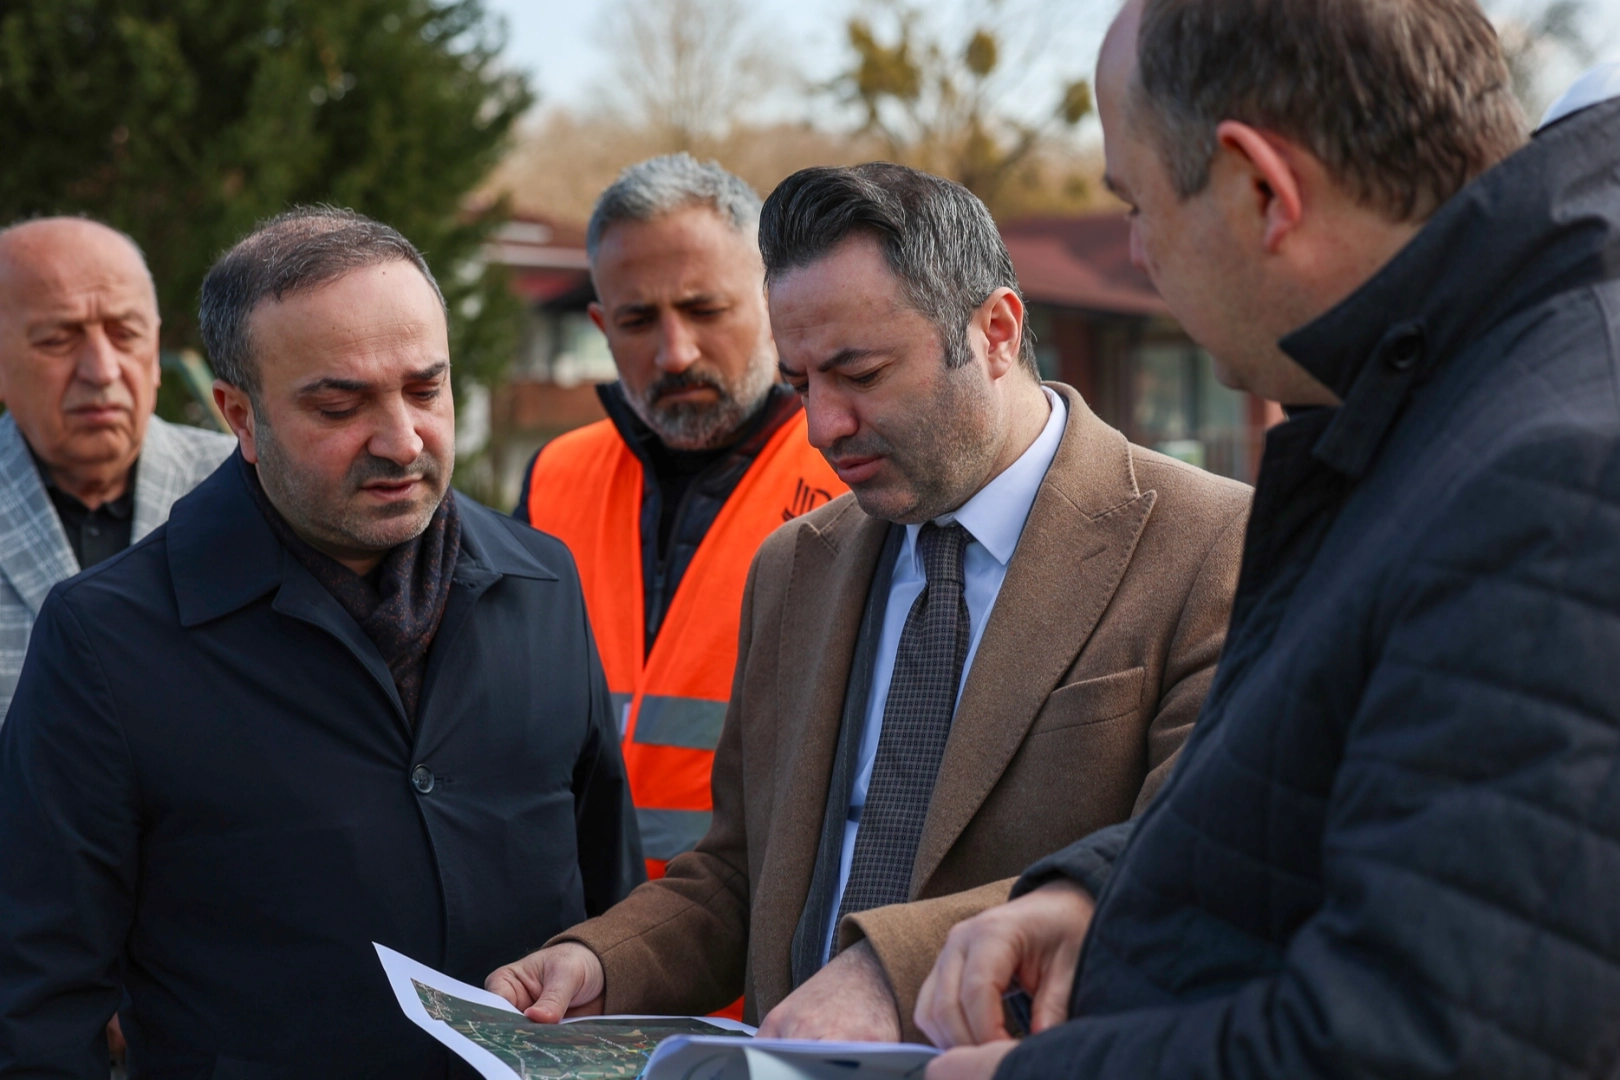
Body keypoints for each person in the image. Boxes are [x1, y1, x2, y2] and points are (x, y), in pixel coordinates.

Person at [912, 1, 1620, 1077]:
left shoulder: (1551, 477)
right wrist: (1107, 892)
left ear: (1260, 189)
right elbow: (1370, 780)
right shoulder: (1440, 393)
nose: (1138, 254)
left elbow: (1434, 1041)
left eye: (1138, 205)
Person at [487, 163, 1252, 1043]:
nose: (823, 426)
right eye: (800, 382)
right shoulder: (793, 567)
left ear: (997, 332)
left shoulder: (1214, 548)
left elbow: (1185, 863)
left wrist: (890, 971)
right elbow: (740, 875)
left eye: (860, 373)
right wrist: (601, 962)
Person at [0, 208, 642, 1078]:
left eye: (426, 390)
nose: (402, 440)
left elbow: (613, 903)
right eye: (340, 405)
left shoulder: (544, 582)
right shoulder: (105, 639)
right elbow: (40, 997)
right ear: (240, 416)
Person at [515, 155, 845, 882]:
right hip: (580, 934)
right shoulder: (555, 479)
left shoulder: (856, 477)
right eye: (637, 320)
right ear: (601, 326)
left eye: (704, 310)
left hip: (767, 937)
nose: (675, 353)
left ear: (772, 302)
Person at [0, 217, 233, 722]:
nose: (102, 370)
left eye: (125, 334)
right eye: (58, 339)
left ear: (154, 349)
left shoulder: (245, 490)